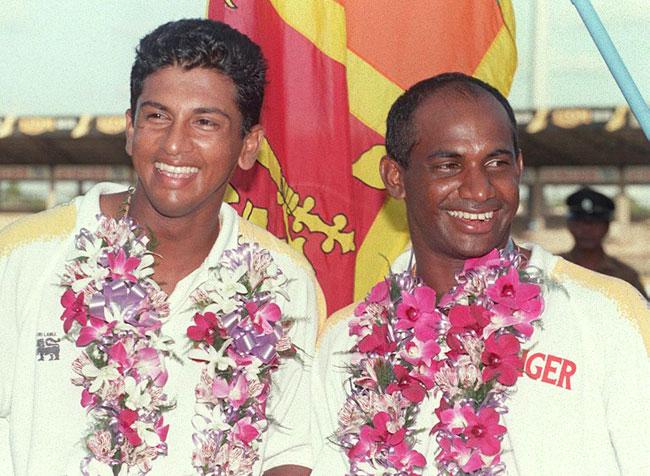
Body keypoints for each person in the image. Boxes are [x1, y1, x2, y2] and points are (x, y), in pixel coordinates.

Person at [0, 19, 323, 475]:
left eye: (205, 123)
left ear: (248, 146)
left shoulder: (284, 281)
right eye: (157, 116)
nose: (174, 144)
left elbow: (291, 452)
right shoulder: (23, 257)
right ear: (131, 128)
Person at [310, 73, 650, 474]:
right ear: (395, 177)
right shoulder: (345, 341)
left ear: (519, 168)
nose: (478, 189)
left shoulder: (608, 313)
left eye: (496, 163)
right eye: (448, 165)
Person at [561, 186, 648, 299]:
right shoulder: (551, 268)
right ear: (569, 225)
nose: (587, 229)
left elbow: (643, 314)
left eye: (595, 223)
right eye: (580, 222)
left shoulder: (626, 277)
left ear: (607, 227)